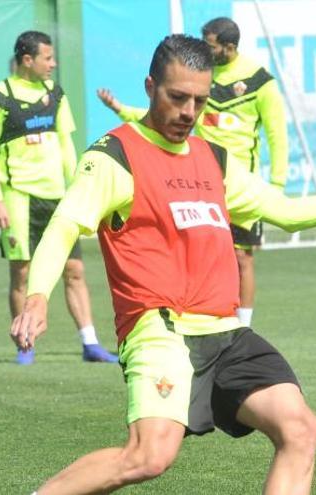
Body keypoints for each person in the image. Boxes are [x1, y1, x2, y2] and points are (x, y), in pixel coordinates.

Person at [12, 34, 316, 494]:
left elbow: (288, 213)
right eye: (177, 97)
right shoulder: (114, 157)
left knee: (300, 429)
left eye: (199, 100)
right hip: (160, 330)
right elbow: (64, 227)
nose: (189, 113)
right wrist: (37, 297)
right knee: (149, 456)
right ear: (150, 86)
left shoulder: (213, 159)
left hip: (225, 333)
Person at [97, 16, 288, 328]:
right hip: (200, 178)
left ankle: (243, 324)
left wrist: (276, 185)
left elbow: (277, 135)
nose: (191, 107)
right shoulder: (198, 78)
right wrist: (120, 109)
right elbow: (161, 114)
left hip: (241, 183)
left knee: (241, 258)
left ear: (229, 47)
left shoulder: (259, 81)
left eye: (212, 46)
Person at [0, 30, 117, 364]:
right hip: (18, 197)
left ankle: (90, 343)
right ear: (27, 60)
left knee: (75, 269)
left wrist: (78, 186)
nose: (53, 64)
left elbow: (66, 145)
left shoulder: (55, 93)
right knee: (21, 272)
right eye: (47, 58)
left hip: (58, 198)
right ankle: (26, 345)